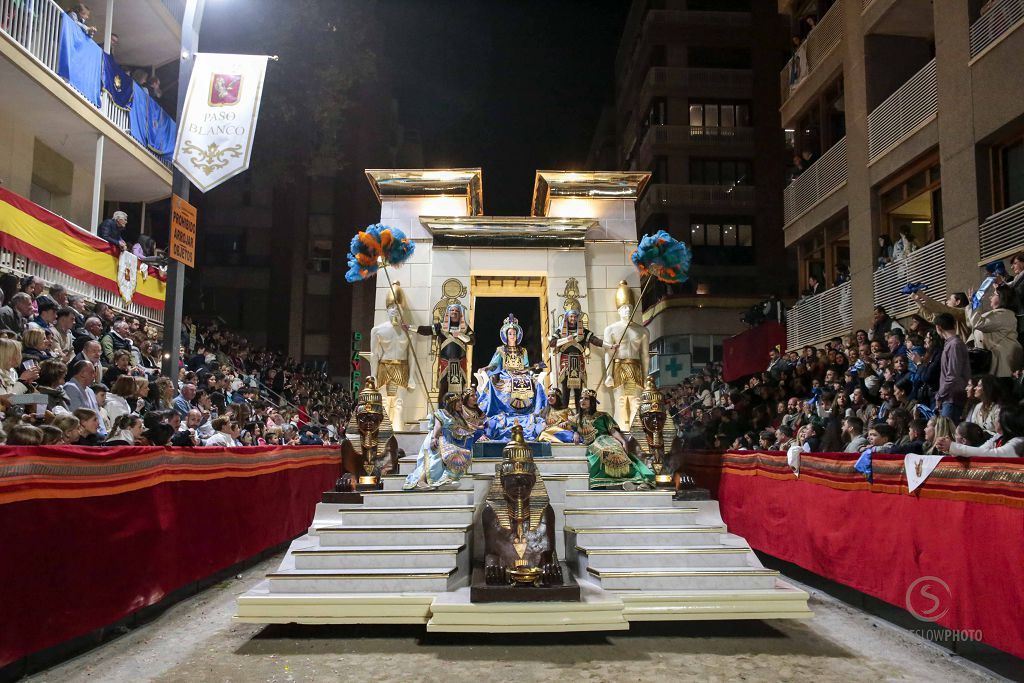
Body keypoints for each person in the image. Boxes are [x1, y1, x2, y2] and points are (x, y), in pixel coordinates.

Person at [566, 389, 654, 490]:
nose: (582, 401)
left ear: (593, 402)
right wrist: (576, 432)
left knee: (617, 450)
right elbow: (569, 428)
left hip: (608, 439)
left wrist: (623, 441)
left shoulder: (603, 415)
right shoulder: (576, 419)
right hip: (594, 443)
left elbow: (613, 431)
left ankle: (638, 481)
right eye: (581, 398)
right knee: (605, 452)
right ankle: (620, 482)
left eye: (586, 399)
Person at [403, 392, 482, 490]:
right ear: (451, 403)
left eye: (461, 401)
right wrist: (434, 438)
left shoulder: (456, 416)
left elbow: (467, 425)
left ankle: (446, 478)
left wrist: (478, 429)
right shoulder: (441, 413)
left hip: (449, 440)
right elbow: (438, 426)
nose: (461, 404)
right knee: (436, 456)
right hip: (438, 438)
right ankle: (421, 480)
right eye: (458, 402)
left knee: (457, 453)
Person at [479, 314, 546, 421]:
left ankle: (537, 410)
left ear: (517, 335)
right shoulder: (501, 350)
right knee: (499, 382)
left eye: (514, 333)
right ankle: (505, 410)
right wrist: (486, 368)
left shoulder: (523, 350)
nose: (512, 335)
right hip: (506, 374)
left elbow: (526, 365)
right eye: (510, 333)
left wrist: (525, 371)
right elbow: (495, 364)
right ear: (506, 335)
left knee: (535, 383)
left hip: (522, 374)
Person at [548, 303, 606, 409]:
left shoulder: (583, 331)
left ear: (578, 318)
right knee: (565, 391)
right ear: (567, 318)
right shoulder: (560, 331)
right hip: (565, 362)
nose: (573, 318)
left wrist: (610, 346)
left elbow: (595, 340)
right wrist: (566, 339)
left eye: (575, 316)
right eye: (571, 316)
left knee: (579, 392)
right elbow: (552, 343)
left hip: (579, 361)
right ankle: (564, 415)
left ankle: (580, 416)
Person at [411, 303, 474, 400]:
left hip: (460, 364)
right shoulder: (440, 327)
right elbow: (426, 330)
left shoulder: (465, 328)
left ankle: (458, 413)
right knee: (443, 389)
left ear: (460, 314)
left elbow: (472, 341)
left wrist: (460, 335)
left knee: (460, 391)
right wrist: (410, 327)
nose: (454, 312)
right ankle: (442, 412)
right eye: (452, 310)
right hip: (445, 364)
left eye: (457, 311)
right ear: (448, 313)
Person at [967, 284, 1023, 379]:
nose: (990, 297)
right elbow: (971, 323)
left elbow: (977, 323)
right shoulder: (997, 313)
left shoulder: (1005, 315)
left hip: (1000, 362)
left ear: (1003, 297)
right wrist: (973, 303)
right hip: (989, 360)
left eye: (994, 294)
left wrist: (976, 302)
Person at [936, 406, 1024, 458]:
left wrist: (953, 446)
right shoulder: (998, 436)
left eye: (997, 417)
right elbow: (980, 451)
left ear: (1006, 421)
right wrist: (950, 448)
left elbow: (992, 455)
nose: (994, 420)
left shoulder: (1019, 442)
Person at [934, 313, 970, 421]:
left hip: (953, 398)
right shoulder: (951, 344)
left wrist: (939, 395)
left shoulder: (955, 344)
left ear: (938, 327)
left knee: (948, 434)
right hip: (949, 397)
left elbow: (953, 375)